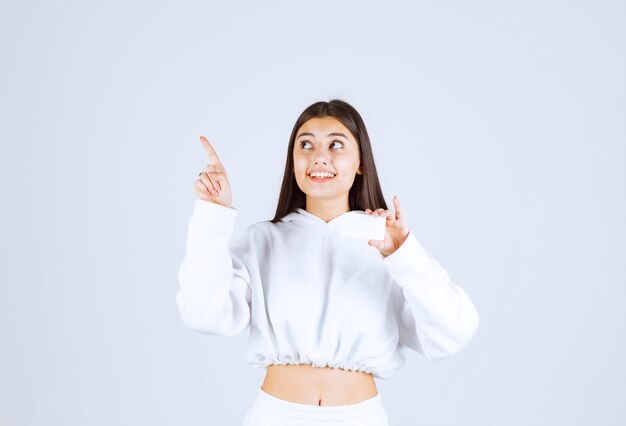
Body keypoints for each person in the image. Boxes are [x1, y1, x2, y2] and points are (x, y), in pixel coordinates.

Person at [177, 99, 480, 425]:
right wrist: (213, 215)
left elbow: (453, 330)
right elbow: (203, 314)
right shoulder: (262, 241)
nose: (319, 156)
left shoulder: (388, 246)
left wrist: (405, 254)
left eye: (336, 144)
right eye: (306, 144)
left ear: (361, 162)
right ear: (292, 161)